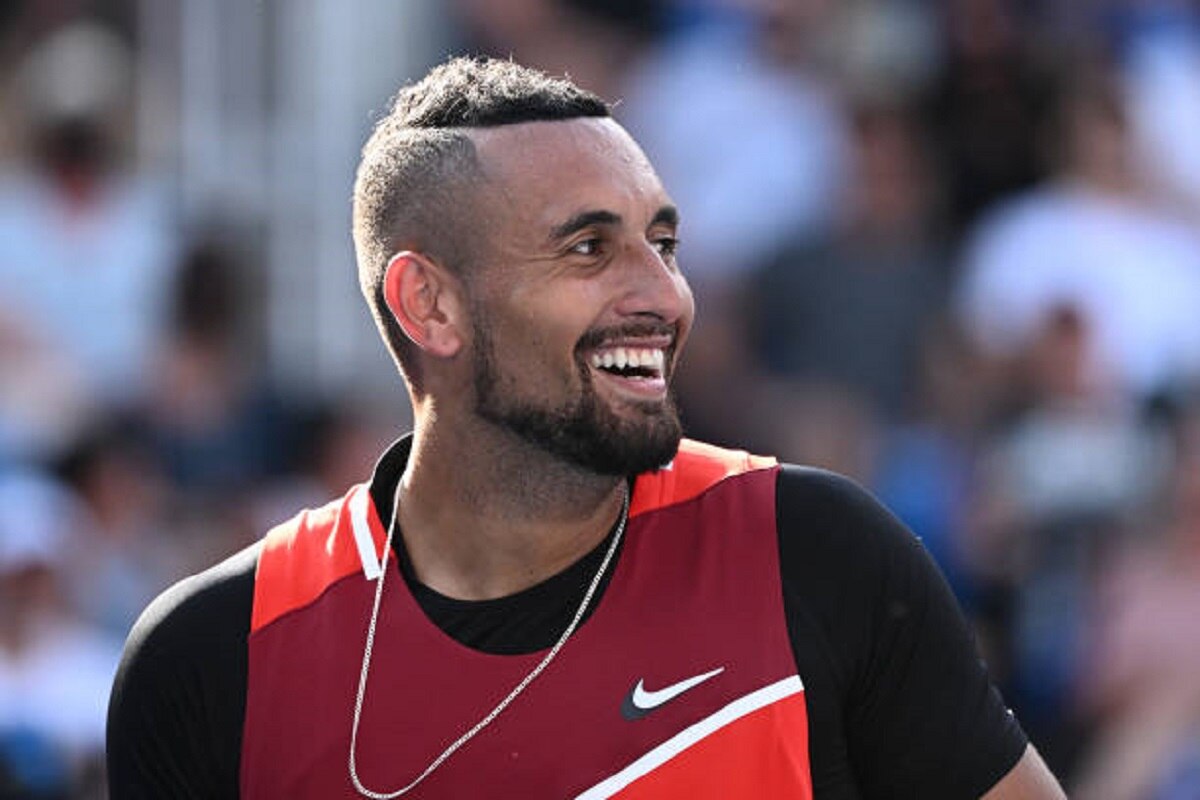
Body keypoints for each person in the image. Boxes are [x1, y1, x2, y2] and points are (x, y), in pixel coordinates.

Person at [106, 57, 1064, 798]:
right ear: (429, 304)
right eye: (589, 248)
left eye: (664, 243)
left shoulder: (813, 554)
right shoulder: (217, 654)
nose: (667, 296)